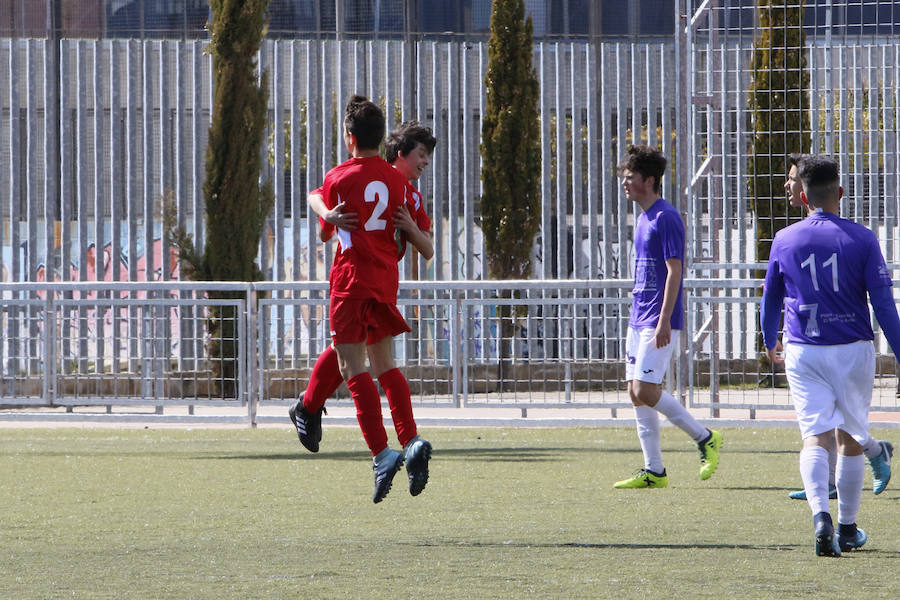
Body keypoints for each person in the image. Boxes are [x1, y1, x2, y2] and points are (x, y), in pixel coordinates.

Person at [289, 113, 435, 502]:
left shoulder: (340, 177)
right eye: (422, 155)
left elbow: (324, 229)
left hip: (351, 282)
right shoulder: (404, 188)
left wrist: (327, 213)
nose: (424, 163)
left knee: (352, 365)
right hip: (385, 283)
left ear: (350, 137)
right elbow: (428, 248)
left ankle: (380, 452)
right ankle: (410, 438)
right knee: (383, 363)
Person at [761, 154, 900, 556]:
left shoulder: (784, 239)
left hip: (804, 350)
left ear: (803, 197)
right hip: (853, 349)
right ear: (839, 192)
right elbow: (884, 306)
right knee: (852, 438)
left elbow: (770, 301)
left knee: (814, 437)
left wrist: (771, 340)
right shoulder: (862, 238)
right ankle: (848, 528)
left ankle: (820, 517)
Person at [613, 145, 723, 489]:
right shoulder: (644, 217)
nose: (624, 184)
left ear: (649, 180)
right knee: (635, 391)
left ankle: (704, 437)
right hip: (638, 317)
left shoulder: (667, 217)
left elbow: (675, 272)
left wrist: (663, 319)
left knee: (646, 387)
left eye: (630, 178)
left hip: (658, 319)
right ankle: (654, 470)